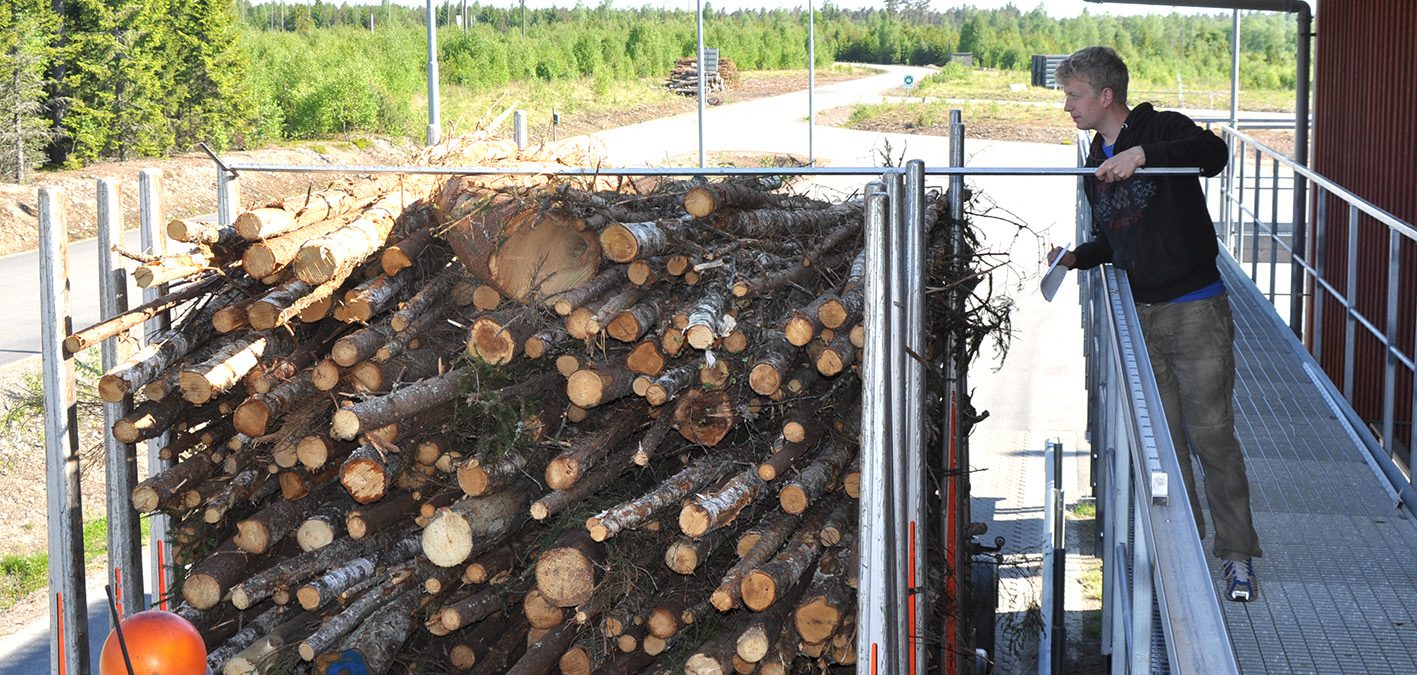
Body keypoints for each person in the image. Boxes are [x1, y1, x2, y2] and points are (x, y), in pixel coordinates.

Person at [1047, 46, 1263, 602]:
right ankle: (1185, 555)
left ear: (1104, 95)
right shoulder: (1094, 158)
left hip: (1195, 308)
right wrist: (1076, 257)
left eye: (1073, 95)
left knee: (1213, 436)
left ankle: (1238, 556)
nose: (1066, 105)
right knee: (1165, 447)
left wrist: (1142, 153)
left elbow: (1213, 153)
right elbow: (1117, 238)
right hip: (1141, 316)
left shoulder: (1160, 128)